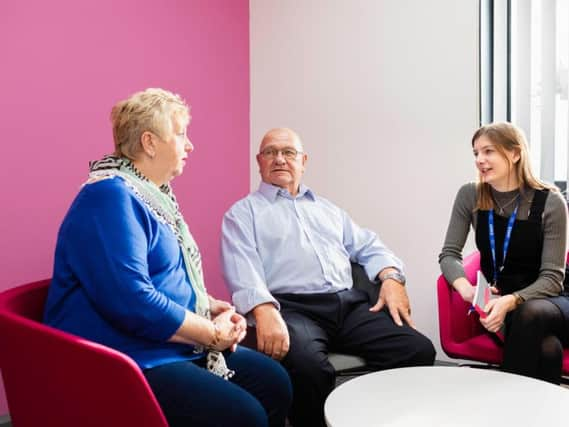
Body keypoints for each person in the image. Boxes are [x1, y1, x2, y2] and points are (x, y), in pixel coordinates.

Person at [44, 88, 292, 427]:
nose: (189, 145)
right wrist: (209, 333)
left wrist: (207, 304)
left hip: (160, 340)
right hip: (126, 355)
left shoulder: (151, 195)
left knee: (274, 382)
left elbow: (163, 277)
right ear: (149, 142)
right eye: (180, 134)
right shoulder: (108, 196)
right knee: (243, 415)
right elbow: (132, 301)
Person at [221, 127, 435, 427]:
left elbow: (369, 246)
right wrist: (264, 310)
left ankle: (367, 418)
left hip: (349, 307)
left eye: (288, 152)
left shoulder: (329, 210)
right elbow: (242, 270)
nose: (279, 159)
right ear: (259, 161)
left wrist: (391, 278)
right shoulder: (242, 214)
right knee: (310, 370)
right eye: (271, 152)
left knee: (417, 350)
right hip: (292, 310)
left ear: (303, 161)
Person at [439, 121, 569, 384]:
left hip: (552, 299)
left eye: (488, 151)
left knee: (528, 313)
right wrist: (467, 290)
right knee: (548, 349)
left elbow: (553, 279)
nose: (480, 160)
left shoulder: (551, 202)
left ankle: (502, 410)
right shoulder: (470, 195)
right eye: (476, 153)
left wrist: (512, 301)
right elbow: (449, 254)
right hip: (500, 301)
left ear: (515, 153)